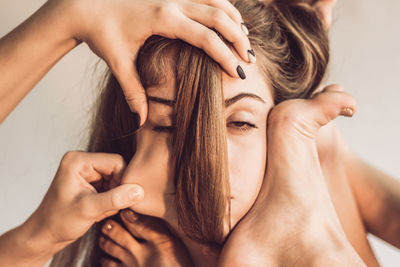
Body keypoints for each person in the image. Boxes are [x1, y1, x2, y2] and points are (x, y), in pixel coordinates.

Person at [0, 1, 398, 267]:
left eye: (239, 122)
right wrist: (70, 14)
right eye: (168, 124)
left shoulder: (316, 155)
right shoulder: (130, 242)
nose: (206, 162)